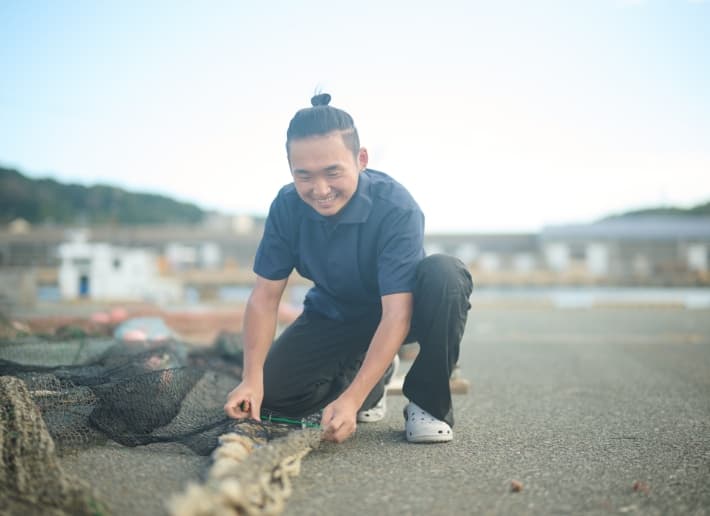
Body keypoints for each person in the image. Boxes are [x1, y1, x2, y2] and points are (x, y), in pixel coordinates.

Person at [224, 93, 473, 444]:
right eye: (304, 175)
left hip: (402, 314)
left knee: (445, 274)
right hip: (335, 315)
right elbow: (264, 298)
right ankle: (376, 378)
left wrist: (350, 401)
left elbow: (397, 314)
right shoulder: (286, 206)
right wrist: (251, 380)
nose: (320, 189)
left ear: (361, 159)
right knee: (273, 397)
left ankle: (428, 404)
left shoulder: (396, 206)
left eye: (332, 172)